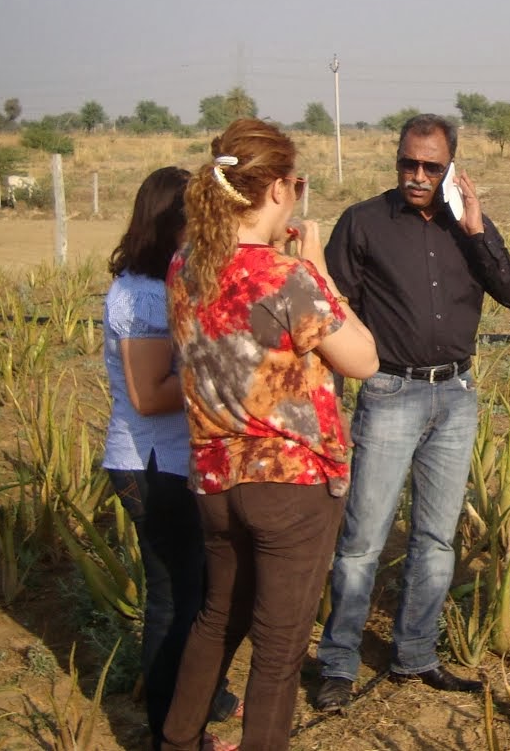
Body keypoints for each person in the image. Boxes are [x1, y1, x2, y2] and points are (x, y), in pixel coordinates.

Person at [161, 119, 378, 751]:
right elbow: (363, 359)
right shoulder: (288, 279)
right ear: (280, 190)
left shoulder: (185, 267)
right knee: (279, 650)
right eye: (297, 183)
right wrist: (317, 268)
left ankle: (176, 740)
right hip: (289, 485)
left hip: (213, 477)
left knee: (216, 619)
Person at [316, 113, 510, 711]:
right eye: (408, 162)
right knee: (362, 539)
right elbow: (332, 314)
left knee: (436, 539)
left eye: (431, 167)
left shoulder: (470, 229)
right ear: (397, 159)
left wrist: (479, 227)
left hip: (455, 397)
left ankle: (415, 653)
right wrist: (329, 404)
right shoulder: (363, 223)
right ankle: (338, 661)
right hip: (388, 392)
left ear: (451, 168)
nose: (416, 175)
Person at [101, 167, 240, 749]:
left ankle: (197, 703)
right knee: (174, 600)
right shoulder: (141, 294)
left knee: (197, 591)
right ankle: (169, 731)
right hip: (151, 463)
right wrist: (216, 370)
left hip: (172, 460)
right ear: (169, 223)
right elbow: (148, 395)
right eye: (195, 219)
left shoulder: (168, 284)